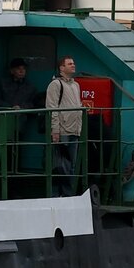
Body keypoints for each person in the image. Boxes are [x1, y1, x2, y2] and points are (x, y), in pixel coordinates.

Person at [45, 55, 83, 196]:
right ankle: (61, 194)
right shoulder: (55, 85)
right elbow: (52, 108)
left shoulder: (76, 85)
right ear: (62, 68)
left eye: (73, 63)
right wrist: (55, 130)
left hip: (75, 130)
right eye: (69, 64)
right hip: (63, 130)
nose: (73, 65)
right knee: (61, 165)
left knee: (71, 164)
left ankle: (67, 193)